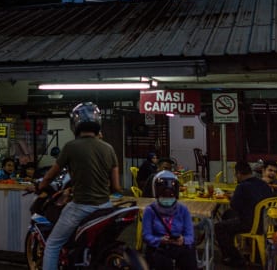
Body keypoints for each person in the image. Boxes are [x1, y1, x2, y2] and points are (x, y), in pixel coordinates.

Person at [36, 102, 121, 270]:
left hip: (80, 207)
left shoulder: (70, 147)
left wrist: (41, 186)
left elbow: (50, 176)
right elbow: (117, 187)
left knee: (53, 244)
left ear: (75, 124)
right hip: (105, 207)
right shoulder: (109, 148)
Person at [215, 160, 274, 266]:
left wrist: (233, 197)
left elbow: (234, 206)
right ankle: (232, 245)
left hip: (251, 224)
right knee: (227, 214)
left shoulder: (242, 186)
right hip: (266, 223)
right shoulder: (263, 184)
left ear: (238, 173)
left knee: (219, 227)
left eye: (236, 175)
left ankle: (235, 258)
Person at [142, 170, 196, 270]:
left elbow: (190, 235)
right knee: (161, 259)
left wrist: (182, 240)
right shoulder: (150, 211)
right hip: (158, 247)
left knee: (189, 252)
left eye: (170, 196)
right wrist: (159, 240)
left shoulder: (183, 210)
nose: (167, 198)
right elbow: (146, 236)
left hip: (178, 246)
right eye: (164, 196)